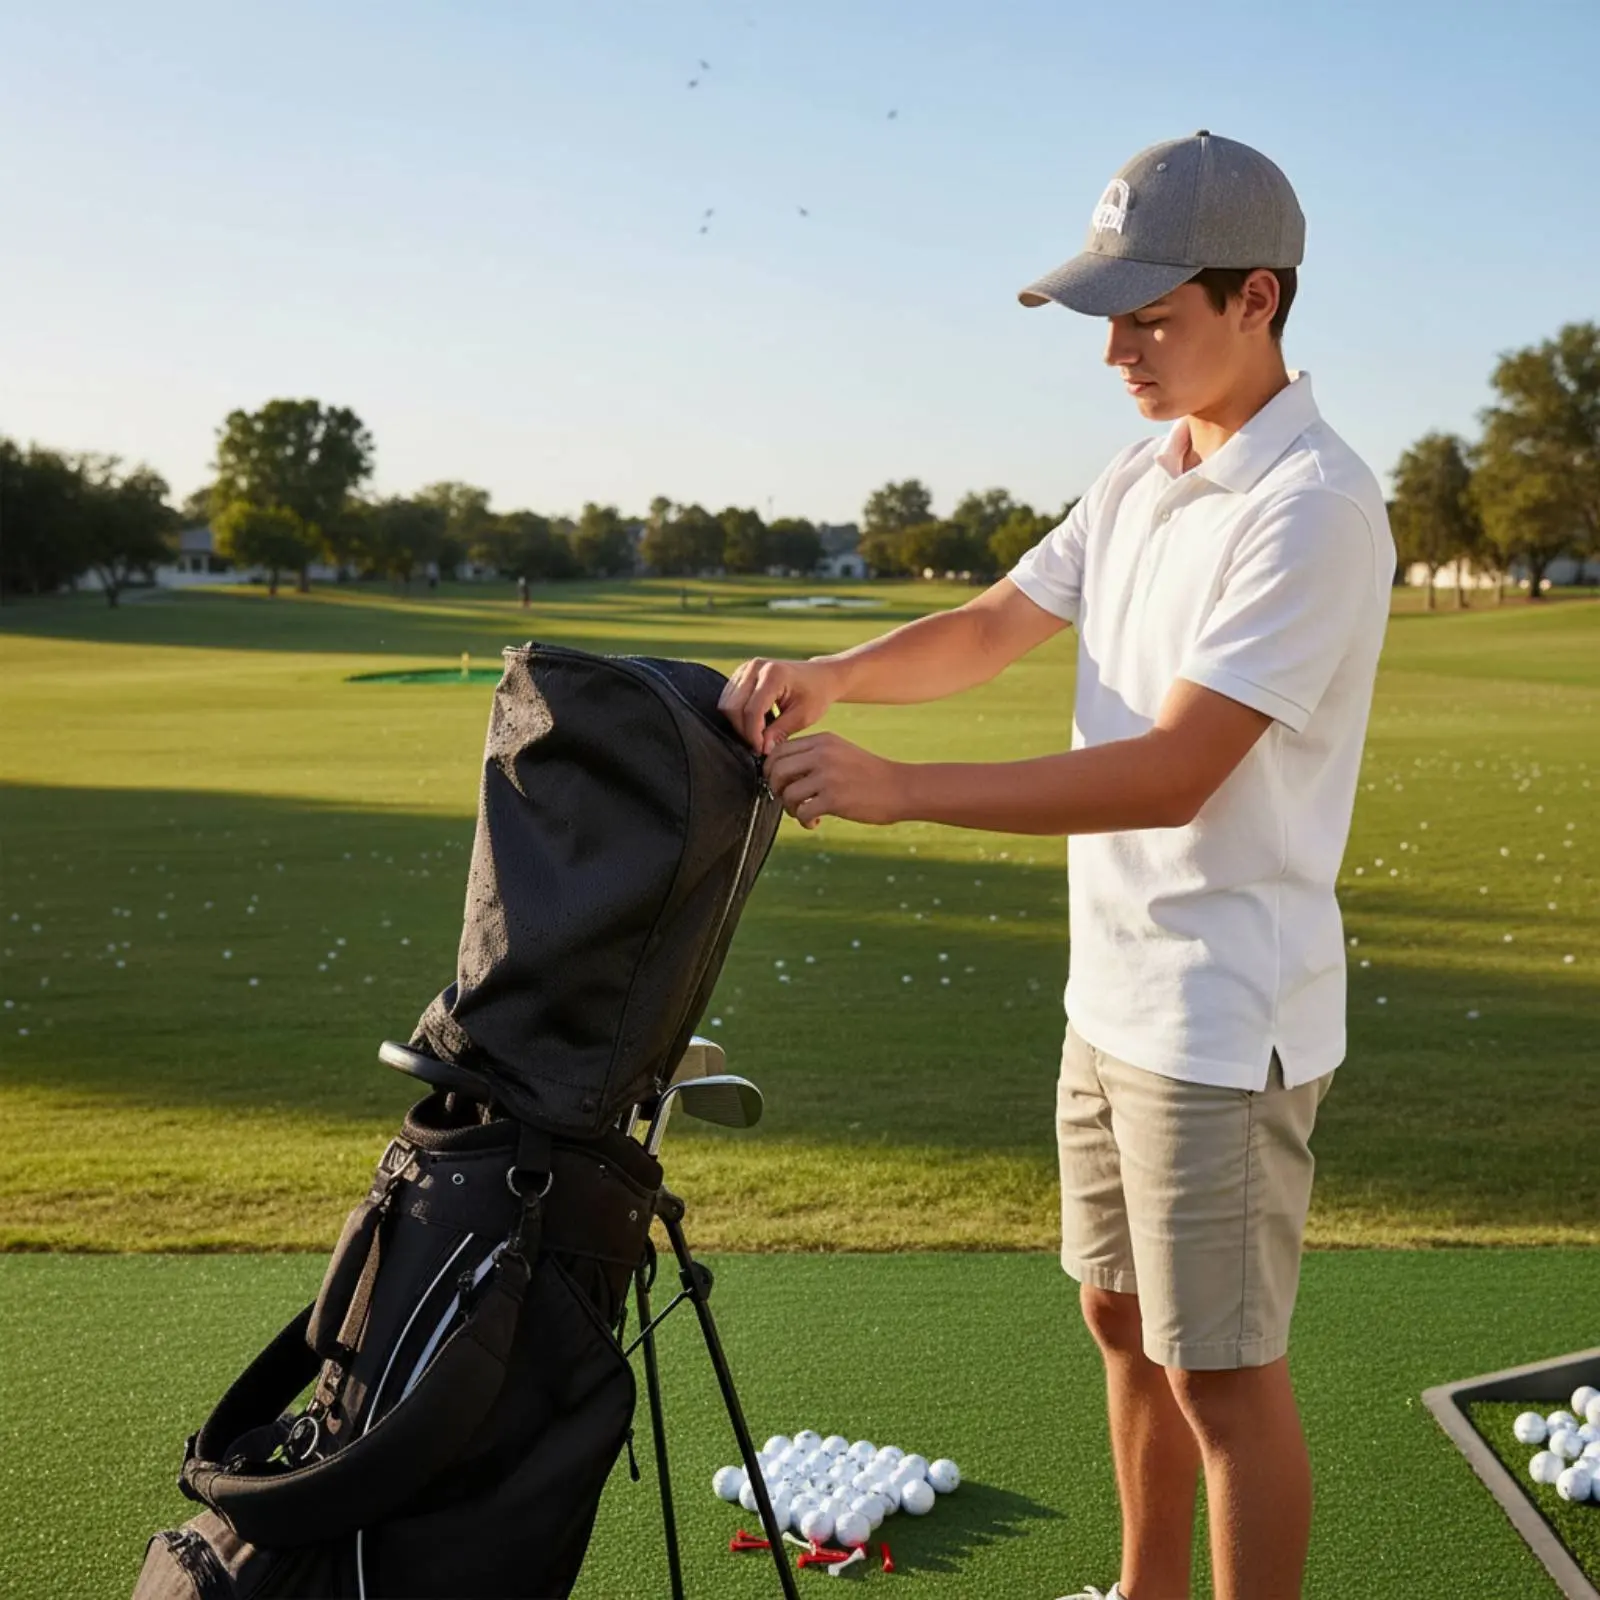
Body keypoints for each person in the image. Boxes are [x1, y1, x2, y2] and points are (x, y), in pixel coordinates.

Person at [718, 131, 1395, 1600]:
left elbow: (1173, 768)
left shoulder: (1313, 507)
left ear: (1258, 301)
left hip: (1226, 1020)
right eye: (1111, 314)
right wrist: (833, 678)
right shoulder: (1143, 473)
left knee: (1220, 1374)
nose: (1116, 352)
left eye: (1150, 315)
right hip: (1117, 1000)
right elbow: (988, 627)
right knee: (1115, 1316)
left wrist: (903, 792)